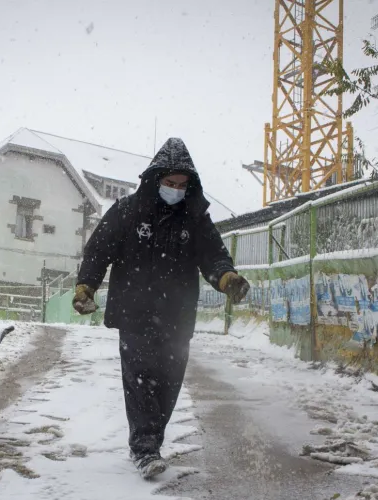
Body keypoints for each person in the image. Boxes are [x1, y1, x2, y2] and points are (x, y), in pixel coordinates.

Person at [72, 138, 249, 478]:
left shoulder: (195, 219)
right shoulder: (126, 212)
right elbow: (99, 251)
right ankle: (144, 448)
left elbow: (213, 255)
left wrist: (227, 278)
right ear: (155, 180)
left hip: (177, 316)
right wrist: (86, 287)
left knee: (168, 383)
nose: (175, 190)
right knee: (139, 380)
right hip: (134, 313)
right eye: (169, 183)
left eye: (182, 185)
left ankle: (151, 439)